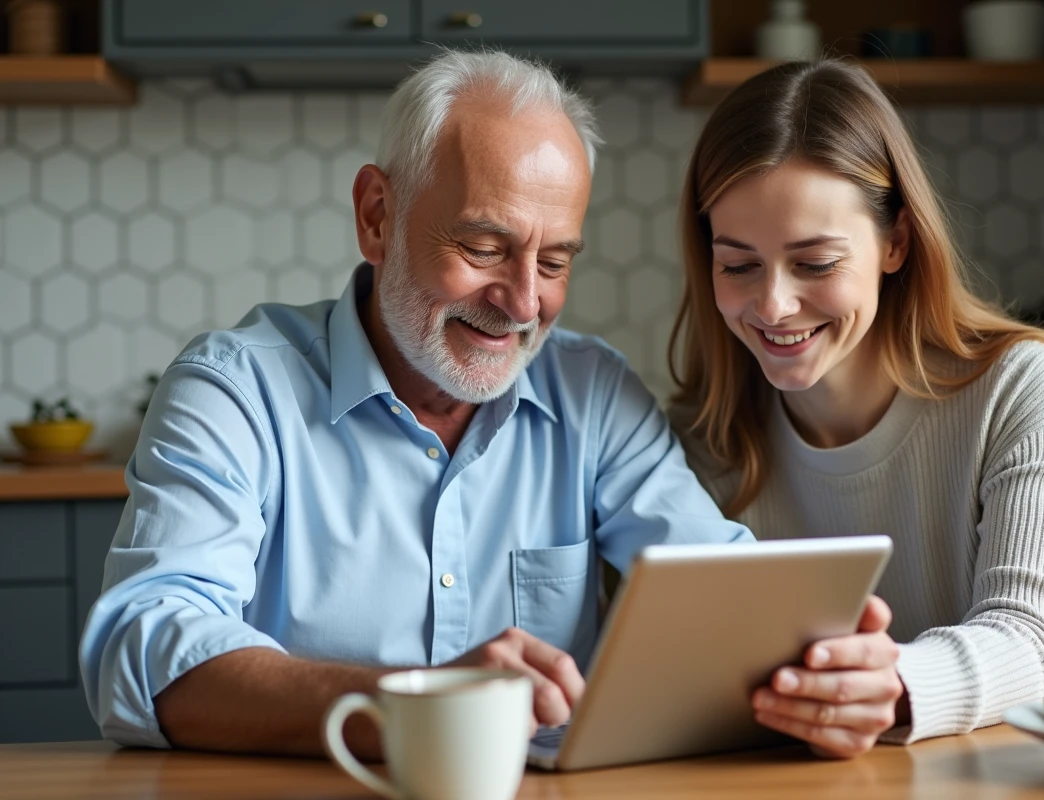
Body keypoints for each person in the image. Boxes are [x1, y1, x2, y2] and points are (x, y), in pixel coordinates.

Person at [79, 50, 754, 758]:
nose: (524, 303)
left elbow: (725, 593)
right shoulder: (235, 391)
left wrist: (855, 674)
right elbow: (142, 650)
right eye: (484, 246)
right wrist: (416, 708)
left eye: (554, 262)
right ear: (377, 216)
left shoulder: (593, 394)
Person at [669, 60, 1044, 757]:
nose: (771, 305)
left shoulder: (1020, 386)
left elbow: (1036, 641)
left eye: (816, 263)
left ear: (896, 242)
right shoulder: (707, 437)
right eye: (738, 265)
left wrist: (891, 683)